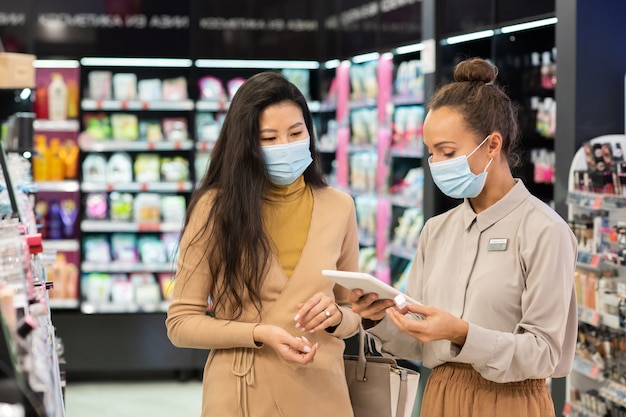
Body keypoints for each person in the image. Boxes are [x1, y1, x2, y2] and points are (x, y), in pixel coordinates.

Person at [349, 57, 578, 417]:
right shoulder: (436, 231)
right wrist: (377, 319)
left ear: (492, 146)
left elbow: (544, 352)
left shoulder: (545, 230)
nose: (436, 163)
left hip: (511, 402)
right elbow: (420, 343)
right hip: (438, 396)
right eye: (431, 153)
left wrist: (463, 334)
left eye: (448, 152)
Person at [166, 71, 361, 417]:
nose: (285, 146)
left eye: (296, 133)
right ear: (247, 145)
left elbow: (352, 313)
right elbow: (181, 323)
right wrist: (258, 333)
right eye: (269, 138)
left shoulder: (339, 206)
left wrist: (335, 317)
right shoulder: (215, 208)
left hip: (321, 393)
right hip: (241, 394)